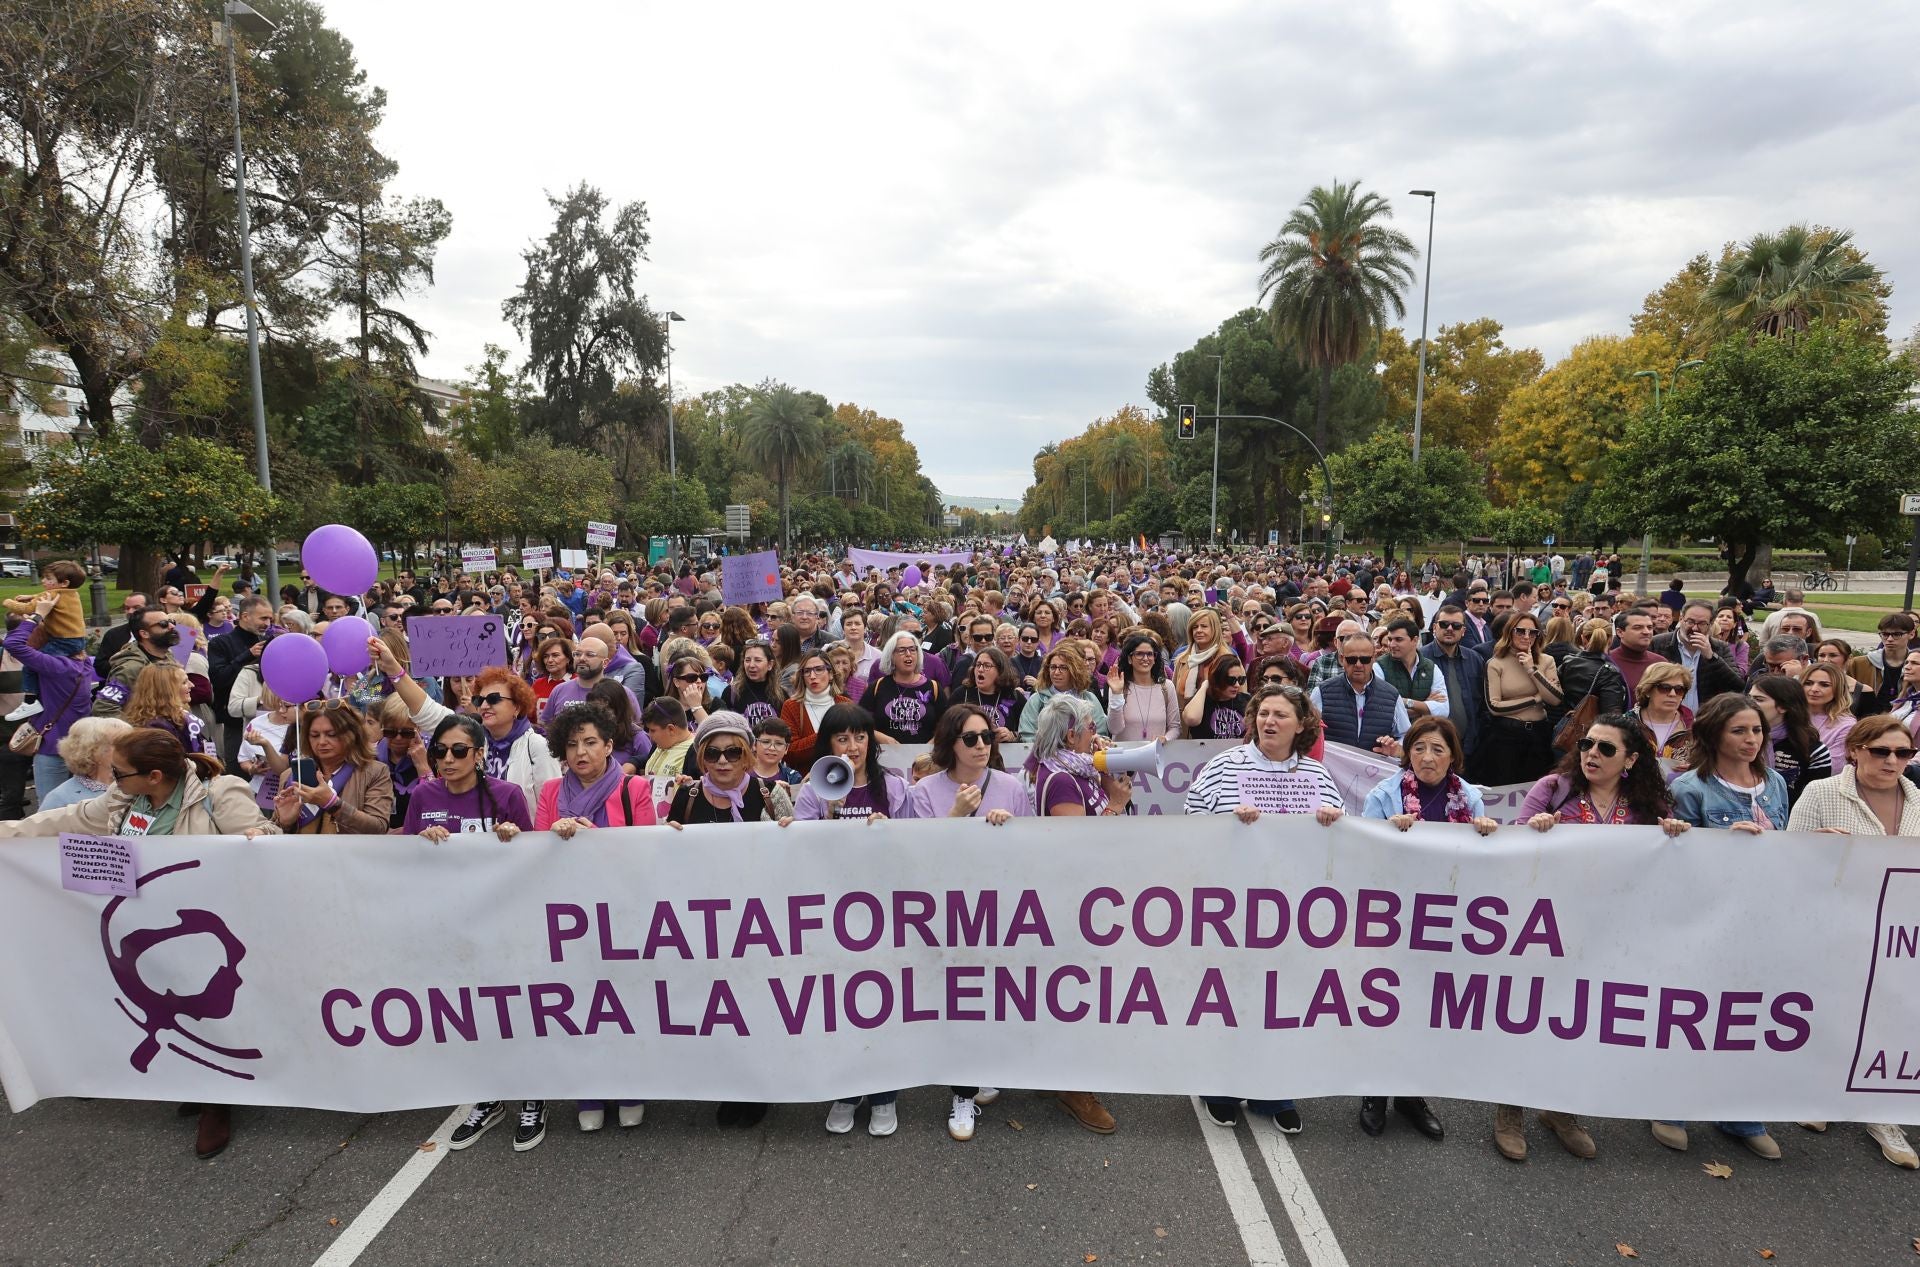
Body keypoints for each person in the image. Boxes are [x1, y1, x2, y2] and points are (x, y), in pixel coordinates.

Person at [0, 729, 274, 1159]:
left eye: (120, 772)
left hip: (205, 927)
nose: (112, 779)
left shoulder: (218, 793)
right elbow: (62, 821)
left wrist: (264, 836)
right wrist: (6, 832)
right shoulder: (122, 800)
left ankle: (217, 1102)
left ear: (154, 776)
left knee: (208, 1009)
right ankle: (194, 1082)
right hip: (146, 928)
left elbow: (265, 843)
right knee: (159, 1006)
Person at [1509, 717, 1688, 1161]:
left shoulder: (1647, 804)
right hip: (1548, 926)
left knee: (1581, 1021)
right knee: (1525, 1015)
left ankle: (1561, 1110)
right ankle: (1508, 1109)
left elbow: (1676, 860)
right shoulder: (1553, 788)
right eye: (1587, 743)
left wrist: (1677, 836)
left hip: (1612, 934)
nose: (1591, 753)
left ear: (1631, 760)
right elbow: (1509, 851)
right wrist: (1534, 833)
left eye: (1606, 749)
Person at [1658, 693, 1789, 1160]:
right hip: (1705, 916)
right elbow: (1676, 857)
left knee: (1746, 1013)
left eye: (1756, 730)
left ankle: (1739, 1111)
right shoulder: (1688, 787)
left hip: (1760, 919)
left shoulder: (1774, 782)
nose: (1751, 739)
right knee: (1692, 1012)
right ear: (1715, 734)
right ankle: (1671, 1103)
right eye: (1739, 731)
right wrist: (1720, 844)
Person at [1785, 714, 1920, 1170]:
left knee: (1892, 1016)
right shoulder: (1823, 793)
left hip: (1898, 931)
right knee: (1835, 1009)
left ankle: (1882, 1112)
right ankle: (1823, 1095)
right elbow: (1786, 856)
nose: (1893, 761)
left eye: (1903, 753)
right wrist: (1813, 843)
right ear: (1855, 750)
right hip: (1836, 923)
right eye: (1881, 751)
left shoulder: (1918, 800)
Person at [530, 700, 658, 1140]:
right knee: (581, 1004)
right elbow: (536, 859)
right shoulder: (549, 795)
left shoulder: (634, 789)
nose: (581, 752)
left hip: (622, 912)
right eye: (571, 745)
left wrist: (594, 839)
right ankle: (588, 1090)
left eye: (590, 742)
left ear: (609, 746)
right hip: (569, 918)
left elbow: (647, 854)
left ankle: (629, 1085)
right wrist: (555, 841)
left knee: (623, 1004)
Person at [1028, 693, 1127, 1135]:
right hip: (1070, 900)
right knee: (1077, 989)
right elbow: (1077, 846)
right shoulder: (1061, 780)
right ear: (1071, 735)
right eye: (1090, 728)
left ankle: (1057, 1073)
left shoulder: (1077, 769)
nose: (1097, 734)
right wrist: (1116, 806)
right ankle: (1073, 1086)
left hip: (1084, 896)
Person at [375, 640, 559, 811]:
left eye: (494, 699)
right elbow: (425, 709)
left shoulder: (537, 747)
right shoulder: (473, 734)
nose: (485, 705)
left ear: (517, 706)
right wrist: (393, 669)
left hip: (522, 841)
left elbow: (551, 807)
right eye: (480, 699)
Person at [4, 594, 98, 799]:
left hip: (52, 747)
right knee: (82, 804)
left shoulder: (55, 666)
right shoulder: (81, 663)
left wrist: (37, 616)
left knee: (50, 805)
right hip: (82, 743)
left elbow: (13, 644)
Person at [1360, 716, 1499, 835]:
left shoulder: (1471, 799)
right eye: (1419, 749)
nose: (1427, 758)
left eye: (1437, 750)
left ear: (1452, 756)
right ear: (1408, 753)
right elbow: (1365, 846)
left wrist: (1485, 830)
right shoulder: (1382, 796)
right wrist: (1388, 830)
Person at [271, 702, 394, 834]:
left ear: (352, 735)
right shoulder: (291, 775)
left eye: (331, 734)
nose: (322, 742)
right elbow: (277, 830)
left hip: (351, 854)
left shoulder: (375, 772)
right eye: (315, 735)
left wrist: (332, 804)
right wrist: (285, 823)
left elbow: (379, 827)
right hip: (303, 854)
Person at [793, 704, 915, 823]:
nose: (853, 747)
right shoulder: (813, 791)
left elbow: (909, 837)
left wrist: (890, 828)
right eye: (842, 739)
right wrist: (830, 817)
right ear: (828, 744)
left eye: (860, 738)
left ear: (869, 742)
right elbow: (806, 840)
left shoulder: (895, 787)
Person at [1479, 612, 1562, 784]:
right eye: (1520, 631)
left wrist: (1532, 670)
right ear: (1510, 632)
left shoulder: (1547, 661)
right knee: (1504, 788)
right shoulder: (1496, 663)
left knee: (1535, 789)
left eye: (1532, 632)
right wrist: (1535, 699)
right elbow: (1494, 707)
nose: (1526, 637)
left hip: (1539, 734)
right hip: (1506, 736)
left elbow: (1555, 699)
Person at [2, 558, 86, 719]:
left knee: (29, 667)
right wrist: (31, 596)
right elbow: (48, 595)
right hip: (76, 640)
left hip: (62, 641)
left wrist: (8, 602)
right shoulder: (71, 593)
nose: (43, 581)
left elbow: (26, 609)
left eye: (48, 579)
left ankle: (30, 701)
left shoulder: (53, 594)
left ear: (64, 583)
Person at [1311, 634, 1408, 756]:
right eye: (1352, 659)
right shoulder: (1322, 692)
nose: (1358, 664)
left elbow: (1405, 735)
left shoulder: (1391, 695)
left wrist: (1395, 746)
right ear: (1342, 659)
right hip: (1332, 771)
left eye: (1365, 659)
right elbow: (1308, 732)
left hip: (1375, 771)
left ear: (1373, 658)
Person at [1747, 675, 1831, 807]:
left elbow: (1819, 801)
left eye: (1758, 699)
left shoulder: (1813, 750)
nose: (1748, 705)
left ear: (1783, 706)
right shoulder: (1737, 741)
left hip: (1791, 821)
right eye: (1749, 698)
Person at [1422, 604, 1486, 764]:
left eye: (1456, 625)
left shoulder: (1475, 659)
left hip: (1469, 747)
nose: (1450, 628)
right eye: (1444, 624)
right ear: (1434, 627)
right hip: (1430, 747)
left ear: (1463, 631)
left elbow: (1482, 702)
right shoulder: (1419, 659)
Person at [92, 608, 182, 720]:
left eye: (171, 622)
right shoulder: (130, 669)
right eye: (163, 624)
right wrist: (137, 731)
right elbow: (104, 708)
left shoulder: (168, 656)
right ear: (144, 634)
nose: (171, 626)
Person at [860, 630, 946, 746]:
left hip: (924, 759)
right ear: (891, 656)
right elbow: (859, 723)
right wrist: (879, 737)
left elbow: (948, 725)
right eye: (902, 650)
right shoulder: (878, 686)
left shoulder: (933, 687)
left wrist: (933, 743)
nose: (908, 654)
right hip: (886, 758)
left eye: (912, 649)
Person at [36, 716, 131, 812]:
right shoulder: (60, 799)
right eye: (120, 745)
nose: (131, 750)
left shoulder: (136, 784)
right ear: (94, 752)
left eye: (130, 744)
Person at [1017, 646, 1108, 741]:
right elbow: (1027, 736)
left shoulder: (1089, 698)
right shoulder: (1037, 700)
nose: (1056, 672)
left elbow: (1100, 733)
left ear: (1075, 670)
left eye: (1063, 668)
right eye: (1053, 667)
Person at [779, 650, 849, 773]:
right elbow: (788, 752)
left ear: (831, 674)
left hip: (843, 776)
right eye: (807, 671)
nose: (812, 676)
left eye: (819, 669)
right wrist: (824, 734)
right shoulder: (791, 706)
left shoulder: (846, 704)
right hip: (805, 781)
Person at [1106, 631, 1181, 743]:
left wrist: (1165, 738)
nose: (1145, 658)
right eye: (1139, 654)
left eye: (1150, 654)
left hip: (1155, 756)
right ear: (1130, 659)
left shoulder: (1167, 687)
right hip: (1125, 756)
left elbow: (1175, 727)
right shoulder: (1120, 685)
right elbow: (1114, 729)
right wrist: (1117, 694)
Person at [1376, 618, 1449, 721]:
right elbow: (1381, 711)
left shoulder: (1431, 668)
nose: (1391, 644)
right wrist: (1424, 707)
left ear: (1414, 640)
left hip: (1423, 734)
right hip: (1390, 736)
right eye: (1390, 639)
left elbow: (1443, 711)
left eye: (1398, 639)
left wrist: (1406, 702)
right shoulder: (1379, 667)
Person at [1624, 662, 1694, 764]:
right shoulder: (1625, 724)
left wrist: (1693, 770)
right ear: (1647, 691)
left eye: (1679, 689)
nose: (1672, 694)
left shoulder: (1695, 728)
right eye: (1665, 688)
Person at [1847, 613, 1914, 716]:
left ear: (1911, 634)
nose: (1889, 639)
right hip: (1864, 720)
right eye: (1885, 634)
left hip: (1902, 722)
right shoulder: (1859, 664)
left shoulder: (1916, 665)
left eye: (1897, 634)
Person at [1799, 662, 1857, 770]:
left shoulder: (1846, 725)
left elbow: (1833, 768)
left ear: (1837, 689)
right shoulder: (1787, 715)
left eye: (1824, 685)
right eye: (1808, 683)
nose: (1814, 689)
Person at [1182, 654, 1249, 739]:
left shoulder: (1246, 701)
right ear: (1217, 679)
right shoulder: (1202, 701)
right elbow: (1191, 719)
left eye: (1240, 680)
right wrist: (1204, 686)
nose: (1237, 685)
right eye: (1230, 680)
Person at [724, 639, 784, 728]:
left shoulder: (782, 695)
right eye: (747, 660)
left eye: (758, 660)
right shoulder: (731, 692)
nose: (751, 665)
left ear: (770, 664)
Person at [1171, 609, 1227, 703]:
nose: (1198, 630)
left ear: (1215, 629)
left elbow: (1239, 695)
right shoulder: (1182, 659)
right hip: (1185, 715)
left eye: (1204, 626)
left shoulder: (1226, 657)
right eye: (1195, 627)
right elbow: (1174, 695)